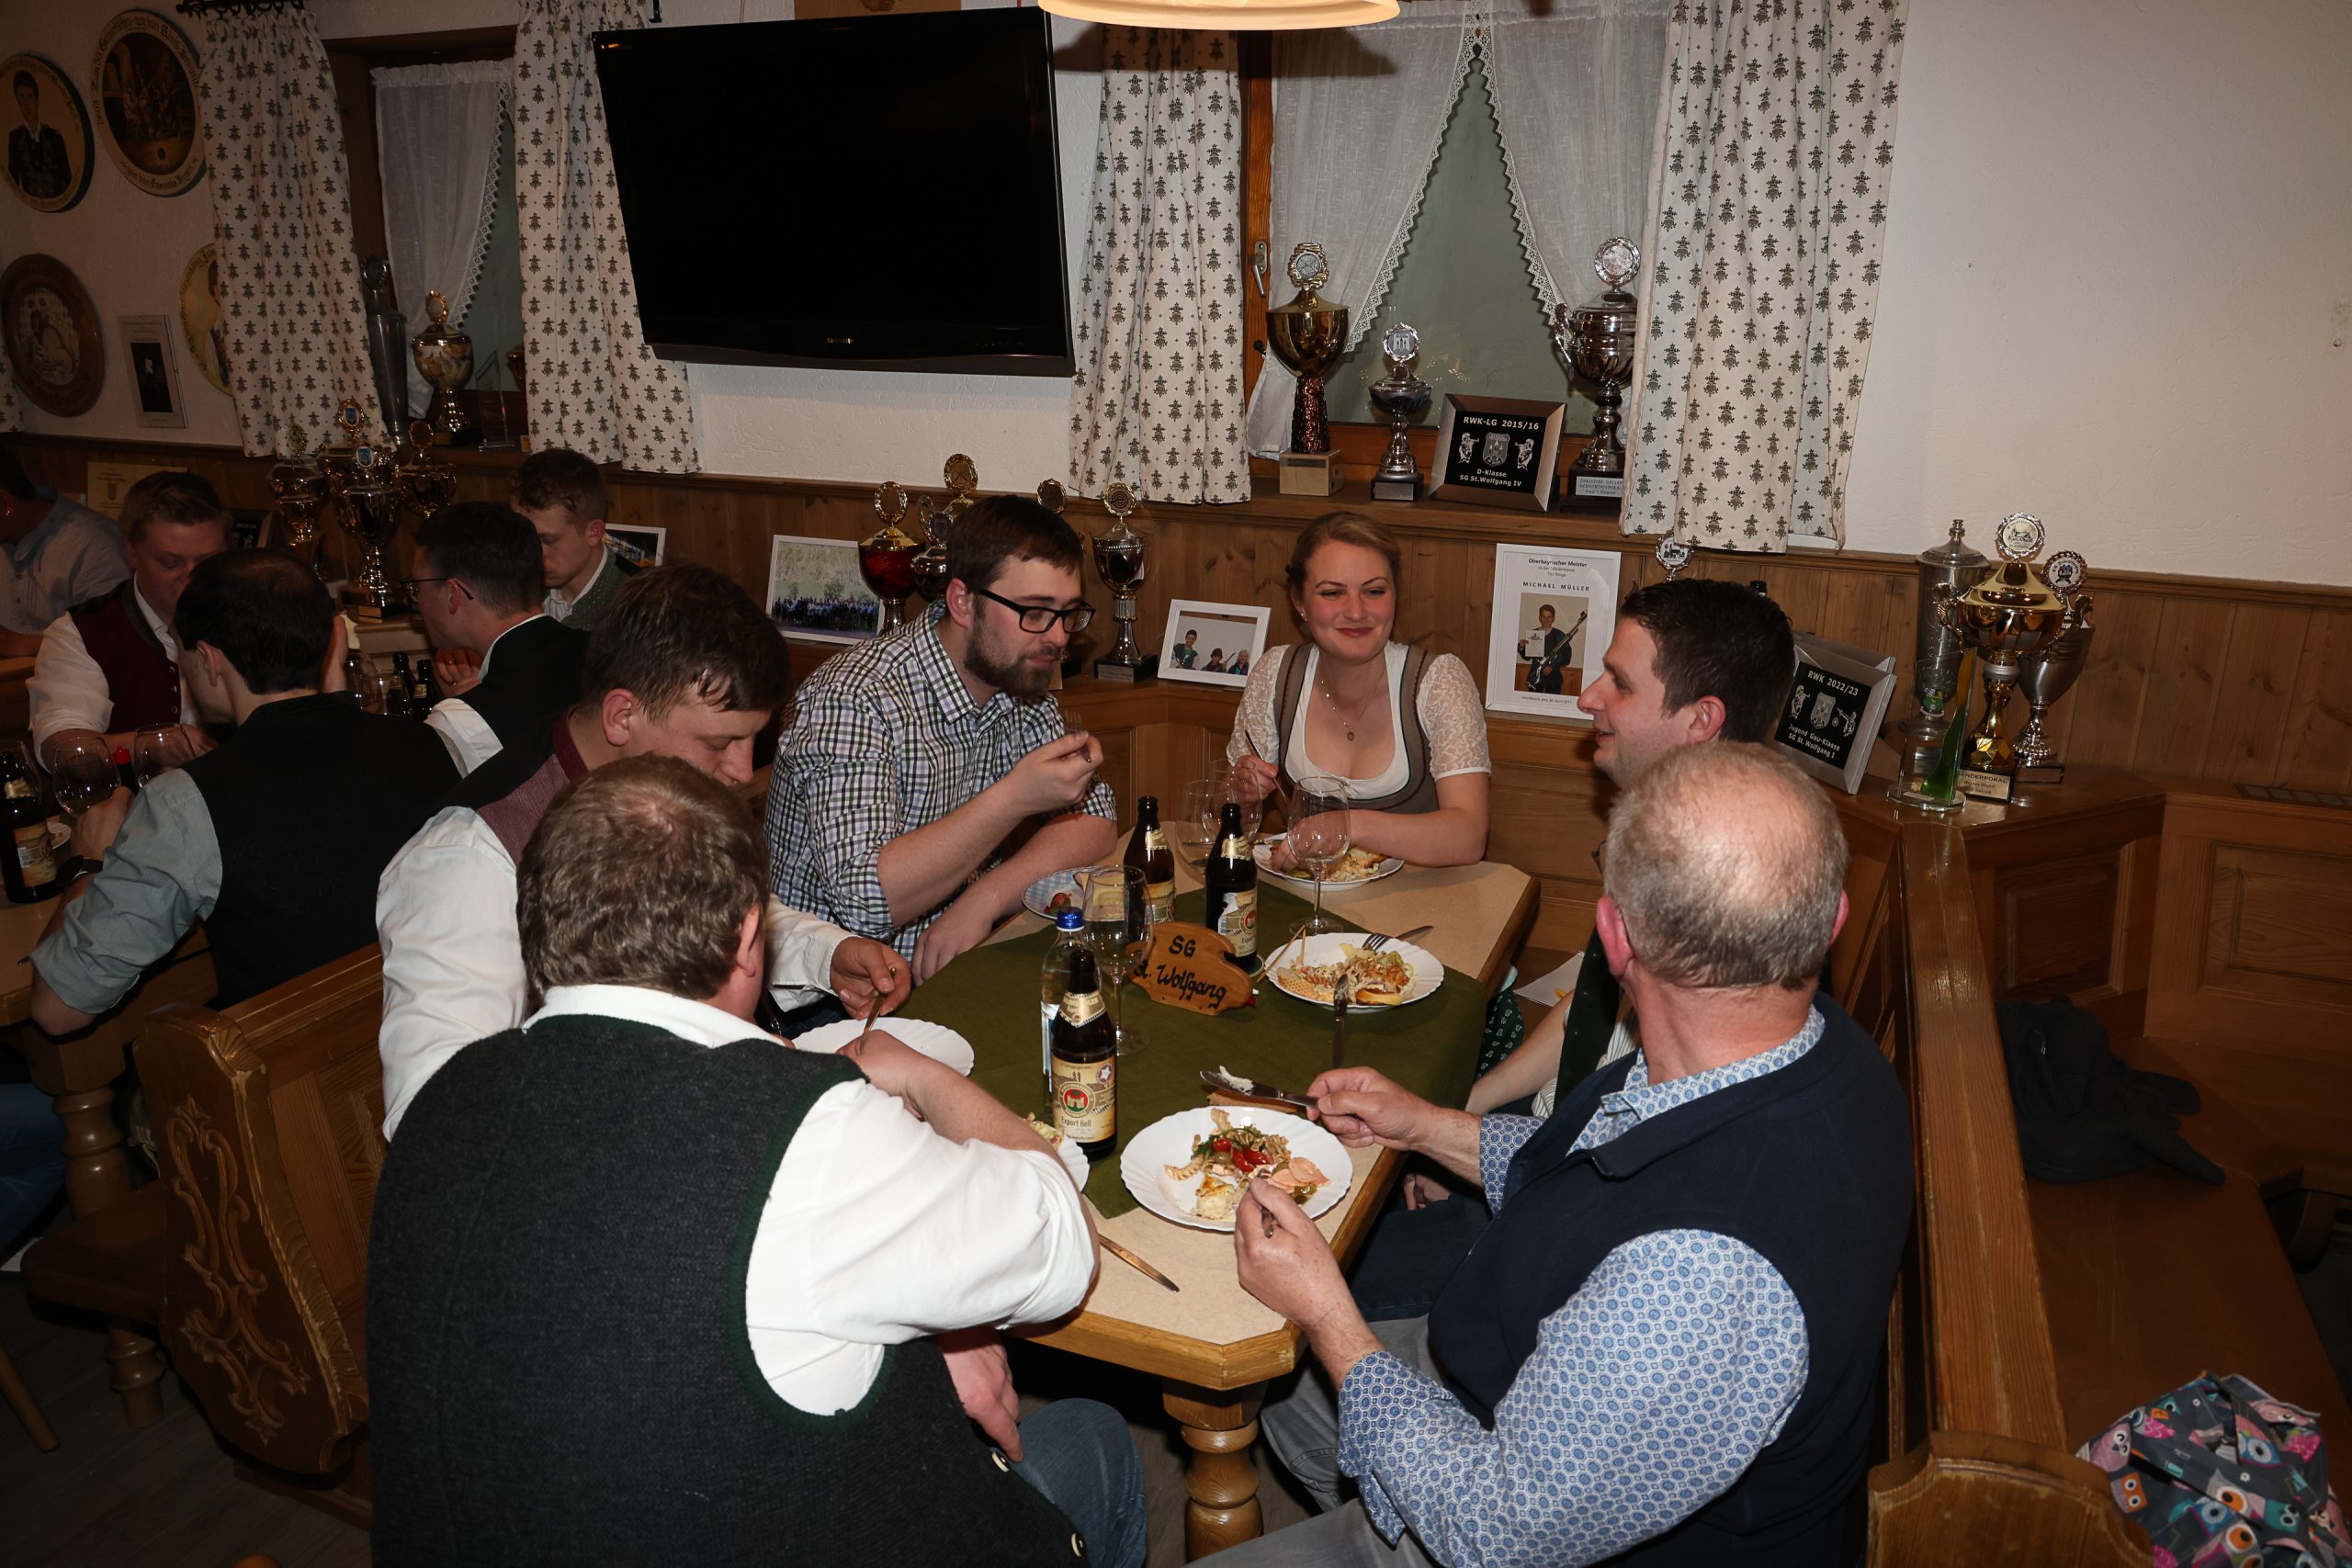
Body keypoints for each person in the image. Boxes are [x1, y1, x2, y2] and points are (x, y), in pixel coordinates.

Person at [368, 757, 1144, 1566]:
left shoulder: (438, 1104)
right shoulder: (803, 1128)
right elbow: (1060, 1240)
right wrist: (918, 1072)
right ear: (749, 942)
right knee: (1093, 1437)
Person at [1219, 743, 1912, 1568]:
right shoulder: (1815, 1047)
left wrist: (1329, 1317)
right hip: (1512, 1372)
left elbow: (1494, 1532)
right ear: (1832, 920)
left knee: (1293, 1337)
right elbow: (1594, 1165)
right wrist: (1428, 1127)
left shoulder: (1694, 1278)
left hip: (1497, 1515)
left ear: (1613, 938)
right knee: (1260, 1366)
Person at [1346, 573, 1798, 1323]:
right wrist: (1457, 1115)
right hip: (1545, 1135)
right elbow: (1588, 1007)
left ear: (1700, 719)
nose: (1588, 697)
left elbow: (1609, 1178)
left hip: (1568, 1215)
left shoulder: (1725, 896)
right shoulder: (1663, 830)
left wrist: (1460, 1146)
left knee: (1316, 1260)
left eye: (1619, 682)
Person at [377, 564, 909, 1138]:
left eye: (754, 740)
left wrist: (825, 953)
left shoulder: (654, 790)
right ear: (622, 716)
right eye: (720, 742)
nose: (740, 769)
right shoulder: (470, 860)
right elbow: (432, 1118)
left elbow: (702, 915)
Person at [28, 551, 456, 1031]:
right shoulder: (430, 746)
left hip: (295, 1067)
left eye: (184, 652)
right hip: (434, 1032)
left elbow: (57, 1009)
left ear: (210, 660)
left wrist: (88, 864)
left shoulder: (186, 803)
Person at [765, 494, 1116, 983]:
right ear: (962, 603)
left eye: (1068, 613)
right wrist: (1013, 798)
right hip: (830, 996)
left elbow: (1097, 820)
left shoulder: (1019, 683)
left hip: (952, 969)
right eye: (1035, 612)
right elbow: (865, 901)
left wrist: (985, 898)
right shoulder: (854, 697)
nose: (1058, 637)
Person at [1227, 513, 1490, 871]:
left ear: (1395, 596)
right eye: (1332, 593)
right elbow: (1229, 820)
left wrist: (1350, 826)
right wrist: (1241, 794)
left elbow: (1469, 837)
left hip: (1422, 899)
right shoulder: (1275, 673)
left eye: (1374, 591)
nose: (1356, 611)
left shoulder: (1439, 680)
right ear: (1299, 602)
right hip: (1307, 895)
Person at [29, 470, 228, 772]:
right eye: (171, 562)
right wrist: (153, 744)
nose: (192, 577)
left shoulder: (253, 614)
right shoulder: (85, 631)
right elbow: (60, 749)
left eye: (207, 562)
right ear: (132, 552)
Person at [406, 501, 587, 777]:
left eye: (416, 586)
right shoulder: (601, 648)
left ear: (452, 594)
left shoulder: (461, 723)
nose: (416, 600)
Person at [0, 446, 130, 659]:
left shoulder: (94, 545)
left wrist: (20, 644)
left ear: (5, 503)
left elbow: (114, 639)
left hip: (74, 676)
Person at [511, 446, 638, 632]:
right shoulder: (511, 588)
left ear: (593, 532)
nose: (533, 553)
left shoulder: (636, 609)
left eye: (548, 540)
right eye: (525, 537)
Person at [7, 71, 70, 203]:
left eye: (30, 97)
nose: (26, 105)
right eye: (21, 98)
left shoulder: (55, 137)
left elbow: (67, 178)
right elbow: (13, 181)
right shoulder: (14, 137)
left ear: (37, 100)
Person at [1516, 602, 1579, 694]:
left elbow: (1566, 655)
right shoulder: (1533, 633)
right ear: (1539, 617)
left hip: (1553, 678)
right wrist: (1521, 647)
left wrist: (1551, 667)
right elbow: (1527, 657)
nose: (1546, 619)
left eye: (1549, 617)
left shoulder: (1559, 635)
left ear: (1553, 618)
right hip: (1535, 678)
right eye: (1543, 616)